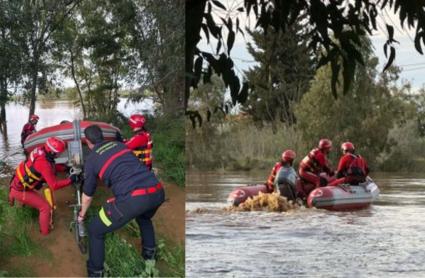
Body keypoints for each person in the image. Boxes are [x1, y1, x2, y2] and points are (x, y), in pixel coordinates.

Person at [79, 125, 164, 277]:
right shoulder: (119, 145)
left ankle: (95, 272)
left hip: (133, 199)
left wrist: (81, 215)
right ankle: (149, 256)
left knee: (95, 230)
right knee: (144, 217)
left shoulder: (91, 159)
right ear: (103, 136)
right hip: (157, 191)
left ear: (87, 141)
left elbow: (87, 195)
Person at [8, 137, 79, 235]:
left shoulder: (40, 150)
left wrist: (64, 168)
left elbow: (48, 166)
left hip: (15, 181)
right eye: (59, 153)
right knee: (45, 208)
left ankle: (11, 202)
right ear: (52, 152)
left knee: (15, 192)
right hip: (21, 191)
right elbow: (54, 185)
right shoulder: (44, 164)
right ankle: (45, 232)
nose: (59, 154)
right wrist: (70, 180)